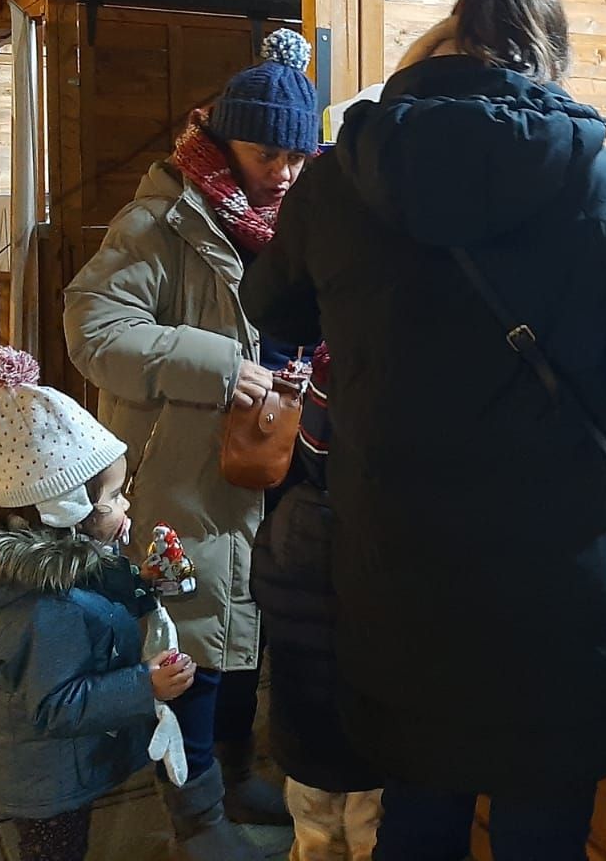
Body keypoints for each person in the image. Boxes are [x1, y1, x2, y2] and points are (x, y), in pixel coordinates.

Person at [241, 0, 606, 861]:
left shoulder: (339, 179)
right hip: (556, 587)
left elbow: (274, 309)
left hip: (399, 571)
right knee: (544, 835)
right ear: (546, 59)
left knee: (417, 814)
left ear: (444, 48)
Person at [63, 28, 319, 858]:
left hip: (270, 455)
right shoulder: (159, 219)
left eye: (296, 155)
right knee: (193, 637)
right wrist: (215, 363)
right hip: (183, 469)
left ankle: (235, 771)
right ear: (218, 139)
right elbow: (91, 328)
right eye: (264, 152)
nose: (281, 170)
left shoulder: (291, 217)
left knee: (247, 627)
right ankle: (195, 817)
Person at [0, 345, 198, 861]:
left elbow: (104, 589)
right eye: (115, 497)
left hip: (67, 762)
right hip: (48, 784)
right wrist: (144, 685)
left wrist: (145, 582)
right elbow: (55, 704)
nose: (127, 504)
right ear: (68, 511)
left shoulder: (74, 558)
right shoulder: (48, 610)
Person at [250, 345, 383, 861]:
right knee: (370, 831)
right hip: (371, 731)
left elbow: (262, 591)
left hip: (303, 727)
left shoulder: (290, 516)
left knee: (313, 833)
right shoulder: (385, 526)